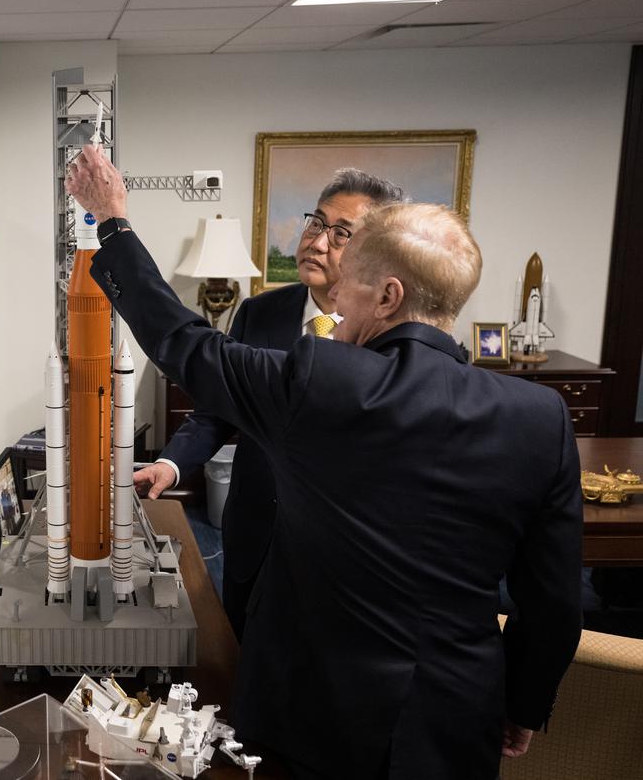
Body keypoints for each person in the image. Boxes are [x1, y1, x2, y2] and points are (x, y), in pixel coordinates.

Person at [65, 145, 582, 780]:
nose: (336, 296)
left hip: (312, 711)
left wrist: (111, 220)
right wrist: (524, 703)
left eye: (349, 284)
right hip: (458, 713)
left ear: (387, 296)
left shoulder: (323, 381)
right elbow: (553, 603)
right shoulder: (541, 416)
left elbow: (183, 342)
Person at [137, 168, 405, 640]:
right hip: (253, 532)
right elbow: (218, 408)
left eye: (340, 234)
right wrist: (171, 463)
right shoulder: (259, 312)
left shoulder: (389, 337)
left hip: (339, 556)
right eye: (316, 223)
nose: (317, 242)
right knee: (239, 654)